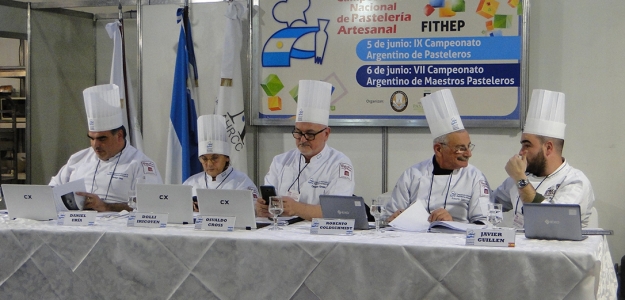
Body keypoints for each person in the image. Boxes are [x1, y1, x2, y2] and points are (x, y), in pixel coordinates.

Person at [49, 84, 162, 212]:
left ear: (119, 135)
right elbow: (52, 190)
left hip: (119, 229)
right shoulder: (78, 159)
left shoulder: (140, 165)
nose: (95, 145)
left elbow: (153, 207)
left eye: (102, 139)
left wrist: (105, 206)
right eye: (91, 138)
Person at [494, 89, 595, 228]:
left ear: (548, 148)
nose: (521, 152)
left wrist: (520, 179)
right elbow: (490, 203)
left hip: (560, 248)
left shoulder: (574, 182)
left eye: (527, 145)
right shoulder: (519, 178)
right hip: (520, 248)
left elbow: (550, 221)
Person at [387, 89, 490, 224]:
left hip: (458, 243)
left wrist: (452, 224)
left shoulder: (475, 177)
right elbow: (389, 216)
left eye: (469, 146)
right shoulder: (412, 175)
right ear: (439, 149)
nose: (468, 154)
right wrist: (392, 219)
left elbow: (483, 224)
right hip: (416, 242)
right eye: (460, 148)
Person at [256, 80, 355, 220]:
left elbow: (338, 211)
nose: (302, 139)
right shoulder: (280, 161)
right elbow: (269, 202)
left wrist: (297, 208)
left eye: (310, 134)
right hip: (280, 233)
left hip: (319, 235)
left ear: (326, 134)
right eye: (298, 132)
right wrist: (261, 208)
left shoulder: (339, 163)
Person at [183, 115, 258, 211]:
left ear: (227, 158)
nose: (209, 164)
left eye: (215, 158)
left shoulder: (242, 182)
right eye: (204, 159)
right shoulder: (191, 182)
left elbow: (250, 211)